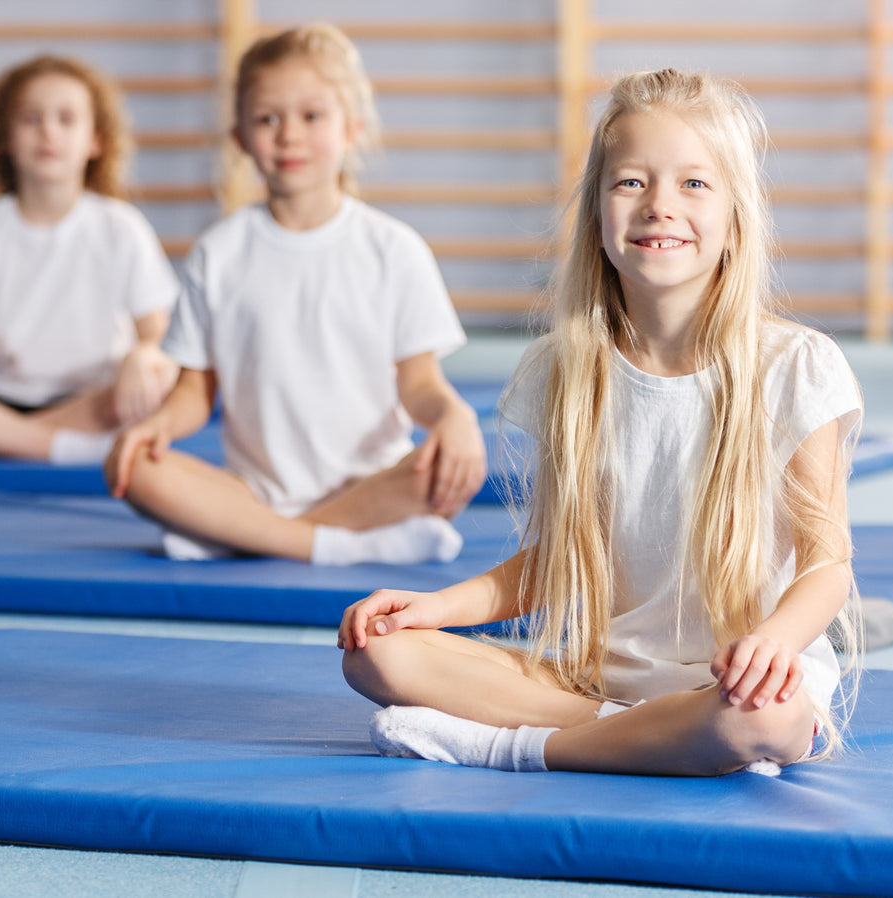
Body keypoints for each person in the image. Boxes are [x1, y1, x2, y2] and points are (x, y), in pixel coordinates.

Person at [338, 69, 865, 776]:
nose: (659, 206)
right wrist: (436, 607)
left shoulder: (798, 365)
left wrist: (773, 641)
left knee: (761, 720)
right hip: (598, 683)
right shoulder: (566, 371)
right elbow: (552, 565)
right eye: (631, 183)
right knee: (378, 654)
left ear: (737, 218)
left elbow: (826, 566)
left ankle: (510, 747)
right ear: (595, 216)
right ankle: (645, 733)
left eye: (694, 184)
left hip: (739, 686)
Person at [104, 24, 485, 565]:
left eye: (311, 116)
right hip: (255, 492)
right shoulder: (219, 252)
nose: (289, 135)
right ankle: (326, 543)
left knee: (445, 471)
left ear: (352, 128)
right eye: (267, 119)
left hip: (374, 486)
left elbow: (420, 384)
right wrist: (155, 426)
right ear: (239, 138)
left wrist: (454, 416)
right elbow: (194, 393)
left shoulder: (393, 249)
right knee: (137, 468)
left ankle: (252, 536)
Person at [0, 56, 180, 463]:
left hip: (95, 398)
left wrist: (141, 356)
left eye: (66, 119)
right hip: (1, 395)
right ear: (5, 138)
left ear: (96, 140)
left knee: (160, 380)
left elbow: (159, 335)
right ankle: (60, 447)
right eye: (31, 119)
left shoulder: (121, 227)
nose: (48, 132)